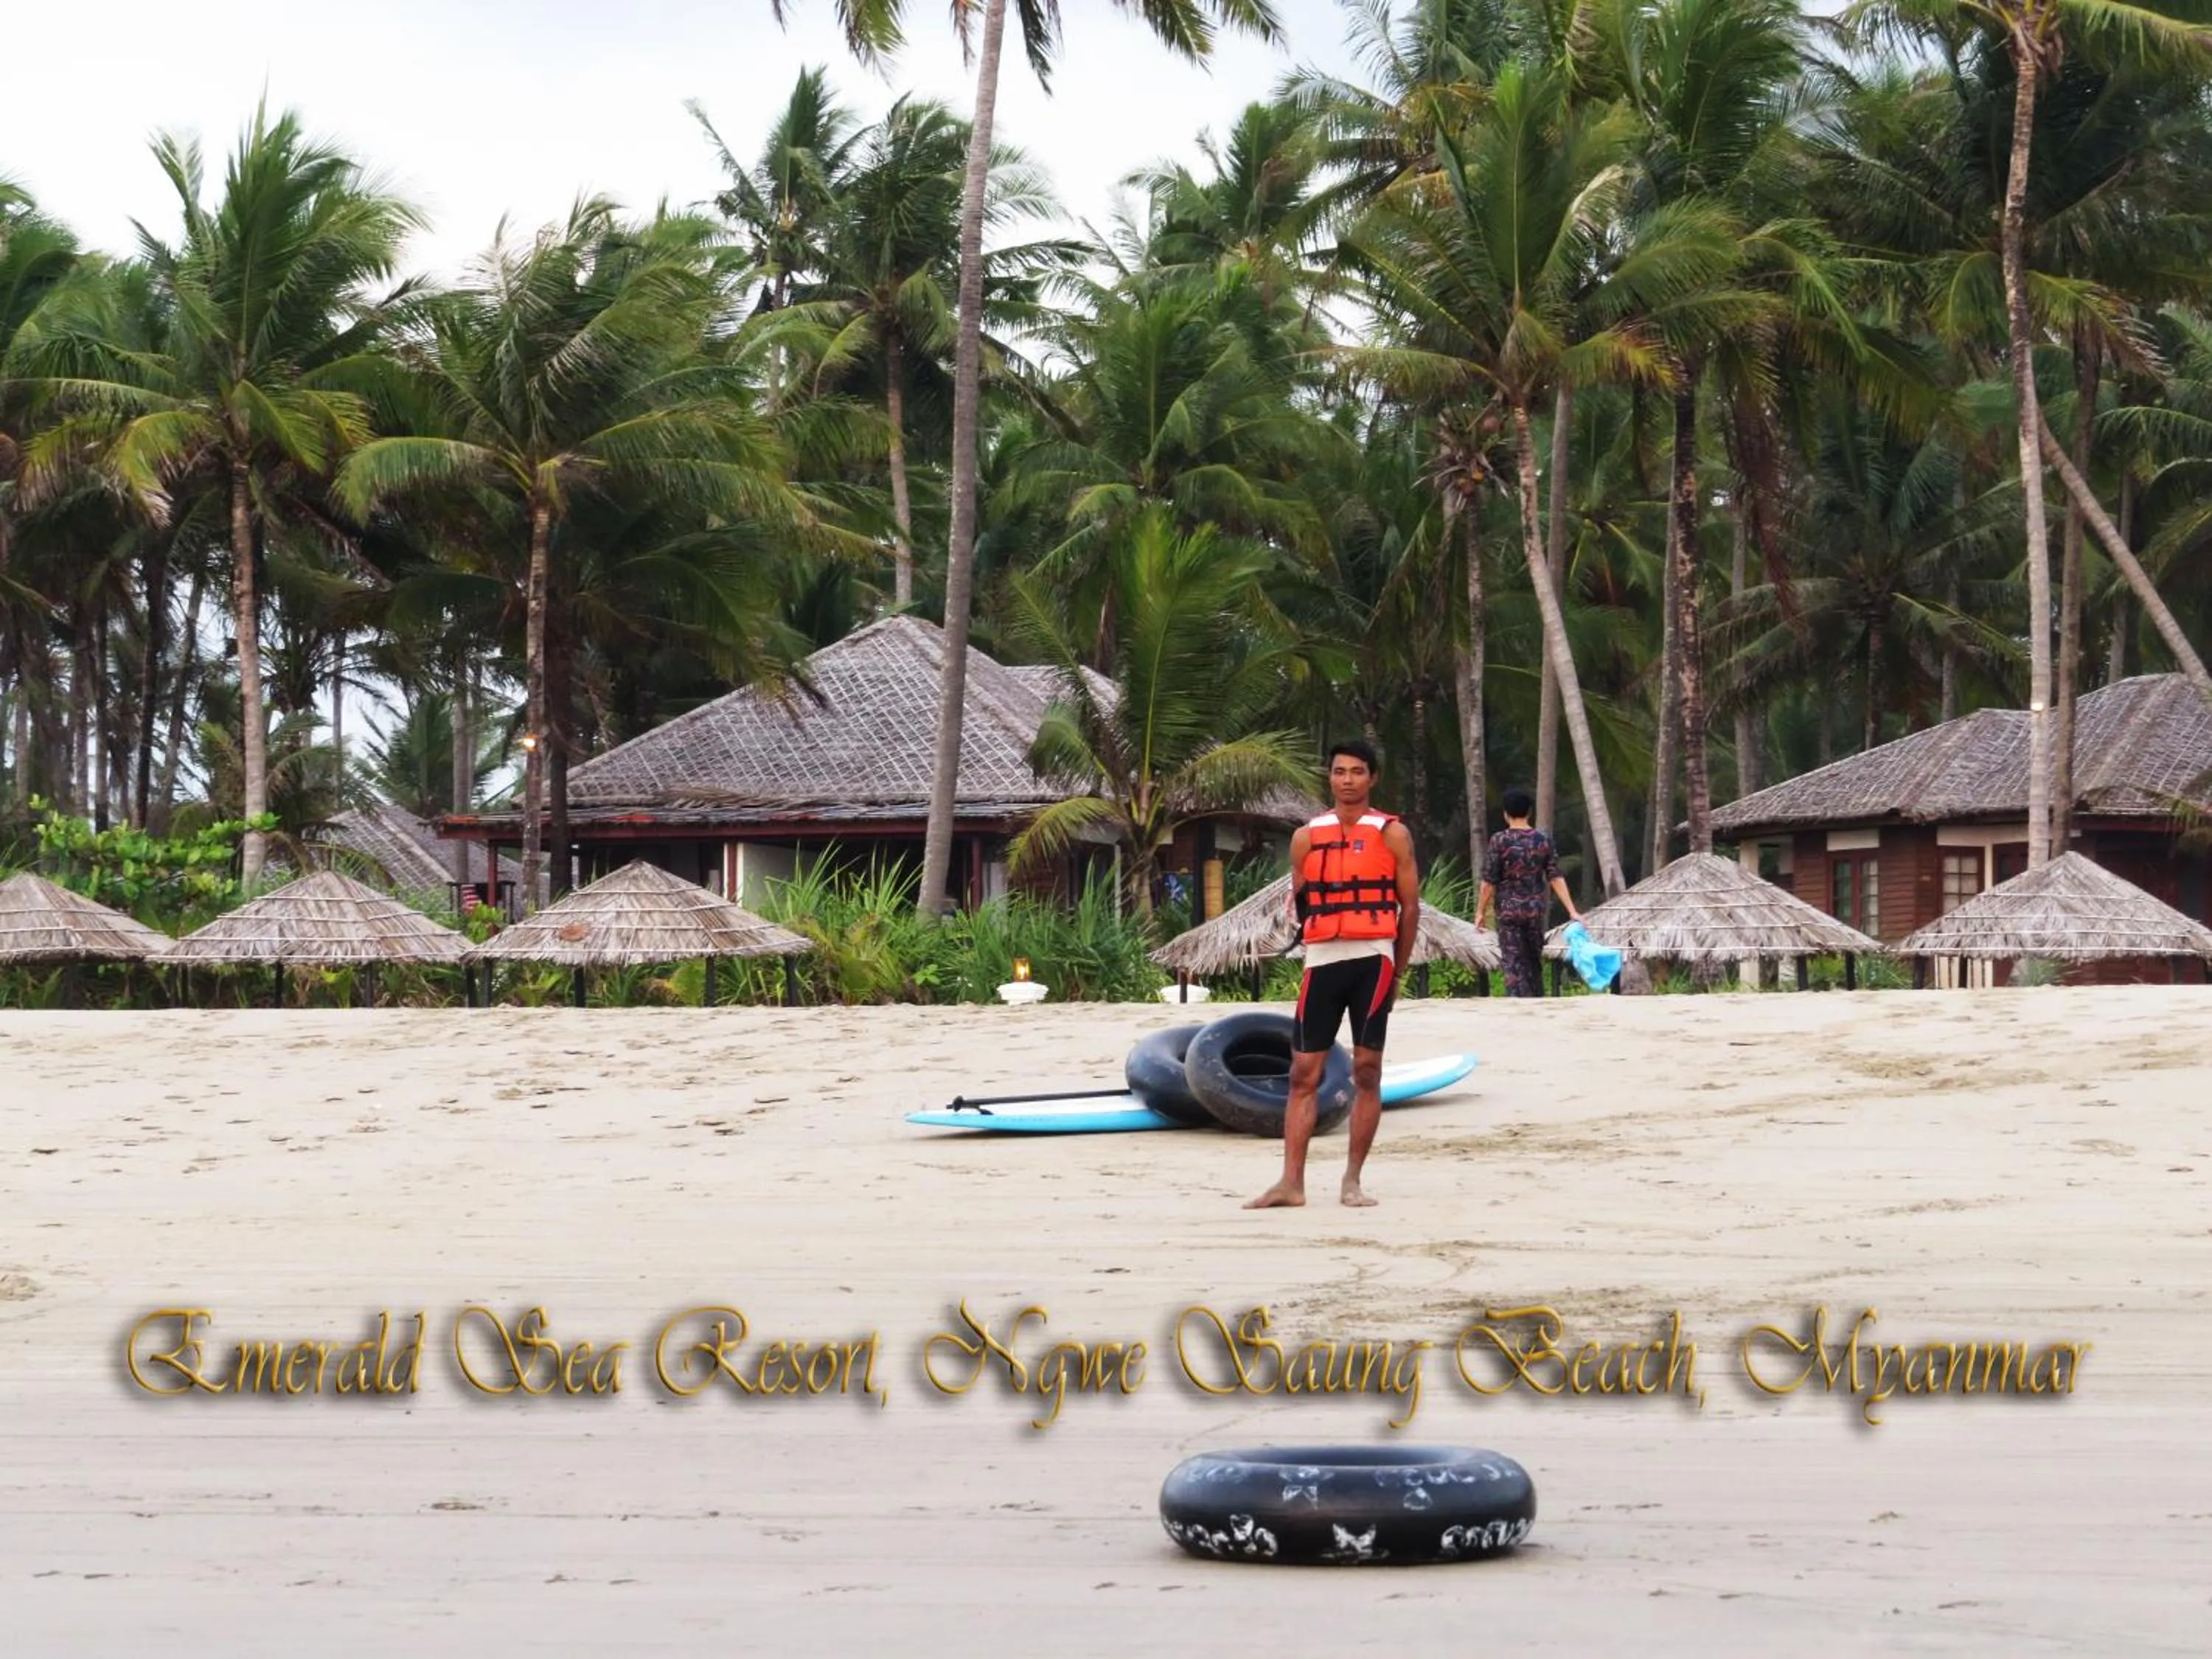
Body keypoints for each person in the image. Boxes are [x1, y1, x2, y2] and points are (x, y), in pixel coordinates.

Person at [1247, 740, 1420, 1210]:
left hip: (1373, 958)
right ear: (1330, 778)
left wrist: (1398, 970)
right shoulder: (1306, 838)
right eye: (1339, 772)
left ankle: (1352, 1181)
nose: (1347, 780)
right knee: (1304, 1071)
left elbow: (1410, 908)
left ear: (1373, 778)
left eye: (1357, 772)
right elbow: (1302, 904)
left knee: (1367, 1070)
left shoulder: (1392, 834)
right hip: (1322, 960)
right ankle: (1291, 1183)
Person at [1475, 787, 1583, 997]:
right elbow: (1555, 876)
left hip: (1508, 910)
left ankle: (1518, 1003)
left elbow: (1488, 881)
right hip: (1535, 909)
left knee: (1514, 962)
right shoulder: (1542, 840)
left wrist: (1480, 911)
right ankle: (1536, 1000)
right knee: (1534, 961)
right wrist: (1572, 910)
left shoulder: (1499, 840)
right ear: (1529, 812)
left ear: (1506, 814)